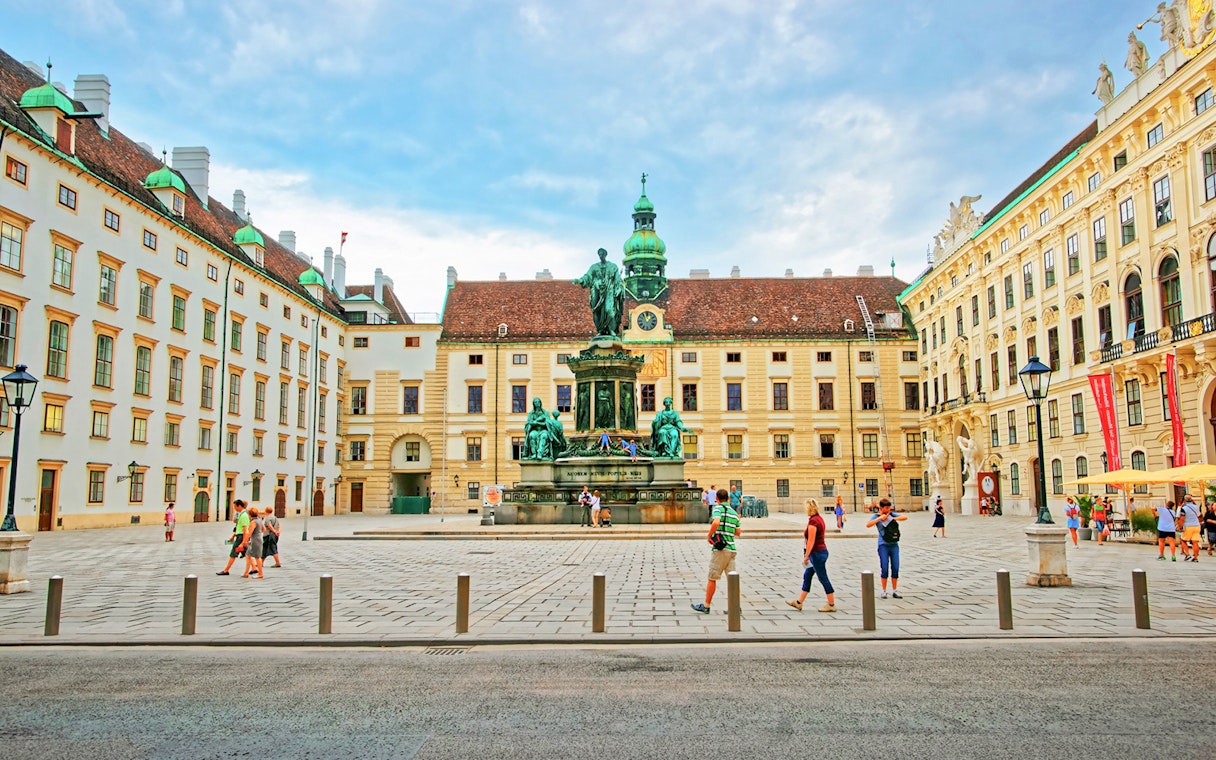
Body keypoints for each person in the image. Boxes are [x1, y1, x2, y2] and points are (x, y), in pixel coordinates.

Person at [692, 488, 741, 614]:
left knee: (712, 577)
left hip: (720, 549)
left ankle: (706, 605)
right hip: (731, 549)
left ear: (717, 499)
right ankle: (735, 606)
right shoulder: (733, 512)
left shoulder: (717, 508)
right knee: (732, 579)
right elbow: (738, 532)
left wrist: (710, 535)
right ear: (728, 499)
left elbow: (716, 522)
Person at [786, 498, 836, 613]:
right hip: (821, 551)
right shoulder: (819, 519)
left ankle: (831, 604)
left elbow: (811, 541)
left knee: (823, 577)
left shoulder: (813, 521)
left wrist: (806, 556)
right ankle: (799, 602)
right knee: (807, 575)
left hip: (816, 554)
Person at [573, 247, 626, 338]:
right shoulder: (594, 267)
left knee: (609, 310)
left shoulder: (613, 266)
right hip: (597, 291)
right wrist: (580, 280)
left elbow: (618, 280)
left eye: (602, 254)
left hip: (609, 290)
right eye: (599, 254)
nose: (601, 256)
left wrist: (619, 289)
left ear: (605, 255)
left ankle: (611, 329)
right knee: (596, 311)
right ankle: (600, 330)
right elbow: (587, 277)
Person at [865, 498, 908, 598]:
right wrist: (880, 518)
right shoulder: (876, 516)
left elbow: (904, 517)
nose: (888, 510)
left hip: (894, 544)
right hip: (883, 545)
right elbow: (868, 524)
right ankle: (884, 591)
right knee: (884, 567)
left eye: (889, 508)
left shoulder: (891, 514)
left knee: (895, 567)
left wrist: (891, 519)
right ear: (881, 508)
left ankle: (894, 590)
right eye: (886, 508)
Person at [216, 500, 250, 575]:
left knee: (233, 553)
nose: (234, 508)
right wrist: (233, 536)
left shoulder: (244, 515)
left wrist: (243, 541)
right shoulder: (242, 514)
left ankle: (226, 570)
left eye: (235, 506)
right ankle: (254, 568)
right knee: (247, 554)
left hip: (241, 538)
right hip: (239, 536)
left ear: (239, 506)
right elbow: (239, 527)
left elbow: (244, 529)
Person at [1178, 495, 1202, 562]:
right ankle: (1196, 557)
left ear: (1185, 500)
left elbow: (1182, 518)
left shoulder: (1184, 508)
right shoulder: (1196, 507)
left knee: (1183, 540)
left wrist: (1180, 526)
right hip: (1196, 526)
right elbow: (1199, 516)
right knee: (1195, 542)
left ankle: (1187, 554)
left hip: (1188, 526)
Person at [243, 507, 265, 579]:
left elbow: (249, 533)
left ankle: (260, 574)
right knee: (248, 555)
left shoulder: (253, 522)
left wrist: (244, 541)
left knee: (257, 557)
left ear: (250, 514)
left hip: (255, 540)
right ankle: (246, 573)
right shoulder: (259, 520)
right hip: (259, 538)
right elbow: (263, 529)